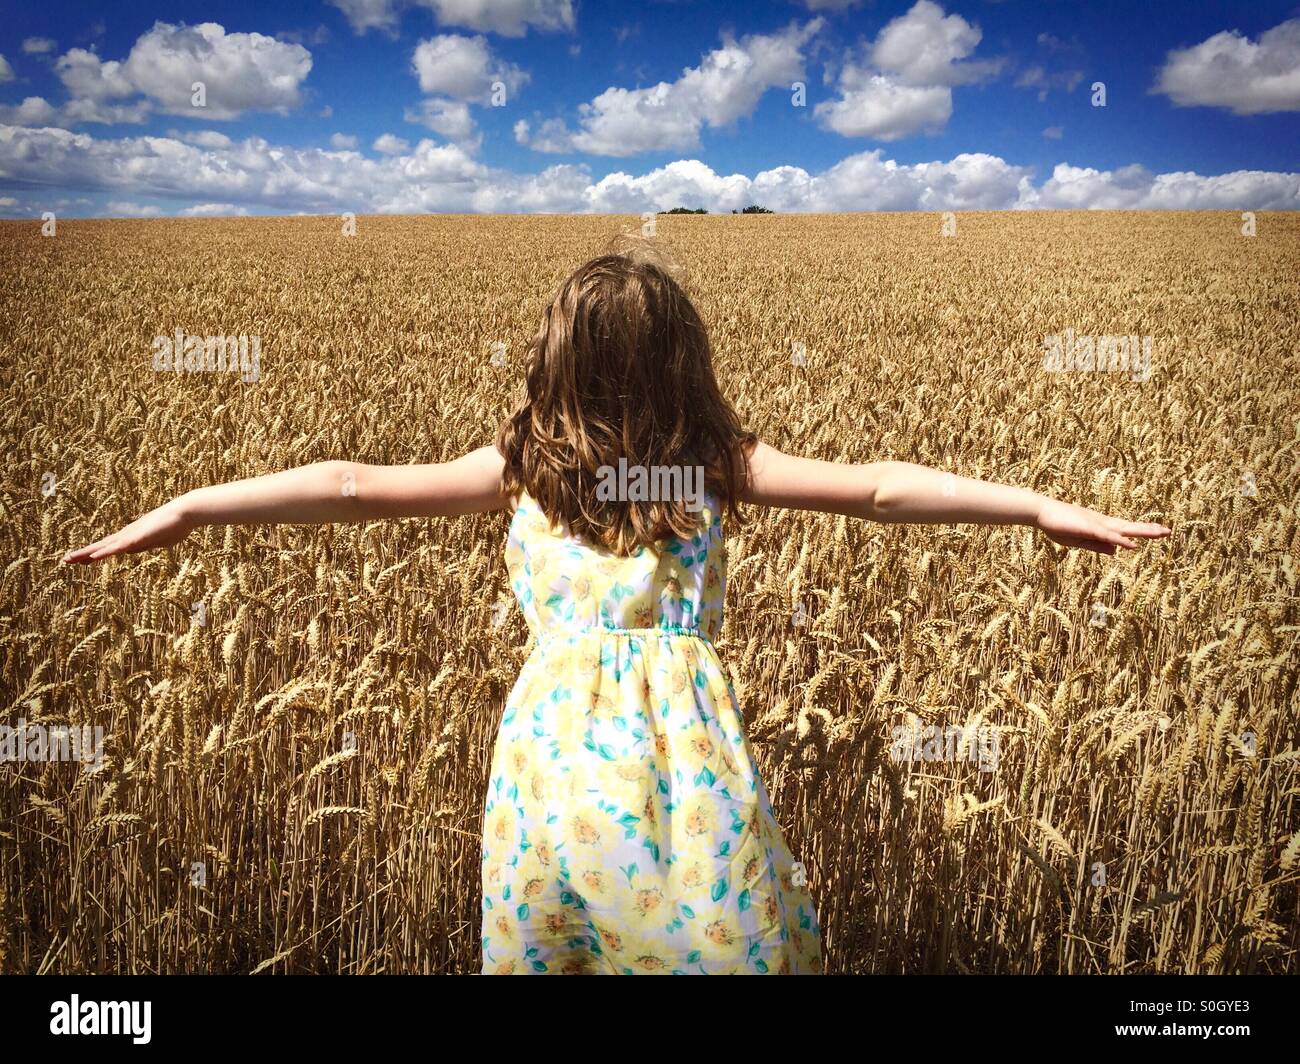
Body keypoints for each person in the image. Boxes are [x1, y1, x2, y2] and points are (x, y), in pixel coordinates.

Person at [63, 237, 1171, 974]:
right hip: (686, 759)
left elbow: (350, 485)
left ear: (554, 360)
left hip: (549, 761)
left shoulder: (519, 463)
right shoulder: (712, 462)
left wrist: (192, 506)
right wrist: (1035, 505)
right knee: (708, 941)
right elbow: (882, 486)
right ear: (680, 359)